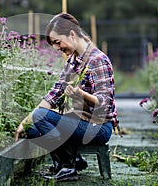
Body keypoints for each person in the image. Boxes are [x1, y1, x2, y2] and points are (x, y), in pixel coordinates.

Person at [14, 13, 120, 181]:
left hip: (98, 127)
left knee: (41, 116)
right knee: (32, 129)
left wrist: (81, 94)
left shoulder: (97, 60)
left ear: (71, 34)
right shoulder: (73, 61)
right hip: (78, 121)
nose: (57, 48)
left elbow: (105, 104)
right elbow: (54, 94)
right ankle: (72, 161)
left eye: (58, 42)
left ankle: (67, 167)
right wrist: (25, 122)